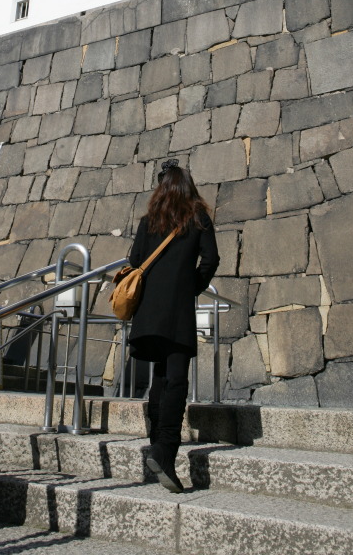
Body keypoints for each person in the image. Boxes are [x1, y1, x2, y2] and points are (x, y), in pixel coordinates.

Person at [128, 159, 219, 493]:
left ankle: (156, 445)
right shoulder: (197, 218)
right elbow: (211, 260)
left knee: (160, 377)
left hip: (148, 315)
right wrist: (189, 286)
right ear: (187, 187)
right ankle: (165, 451)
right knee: (177, 380)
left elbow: (134, 262)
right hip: (178, 312)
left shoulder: (147, 221)